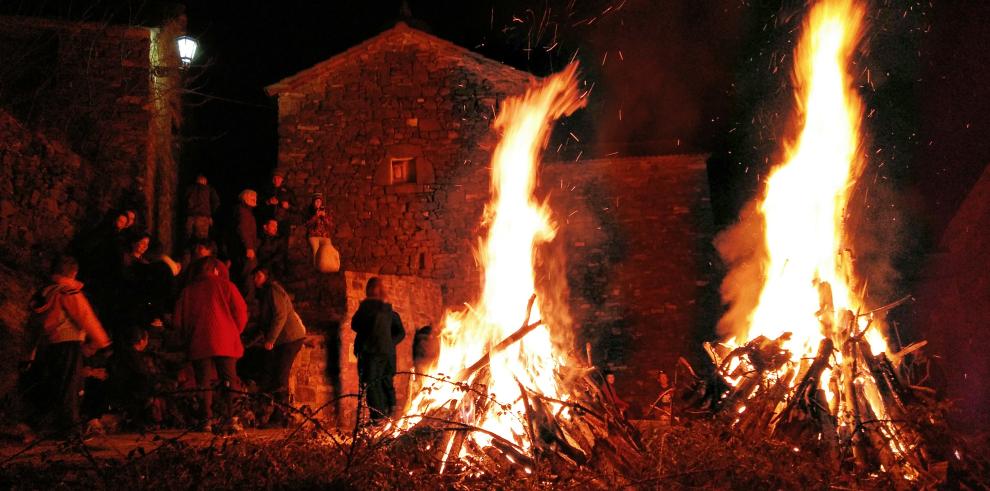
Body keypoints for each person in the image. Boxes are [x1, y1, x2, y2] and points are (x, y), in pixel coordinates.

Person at [22, 255, 112, 435]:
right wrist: (103, 342)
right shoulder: (69, 292)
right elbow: (85, 317)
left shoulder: (45, 293)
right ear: (74, 272)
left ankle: (43, 426)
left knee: (53, 385)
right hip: (69, 342)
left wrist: (28, 353)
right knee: (70, 387)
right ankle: (71, 431)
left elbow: (33, 324)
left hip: (49, 343)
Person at [173, 257, 248, 432]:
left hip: (199, 340)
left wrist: (188, 335)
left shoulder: (188, 291)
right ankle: (232, 418)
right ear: (215, 269)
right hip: (225, 341)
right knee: (229, 380)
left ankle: (206, 420)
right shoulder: (227, 286)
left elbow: (178, 320)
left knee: (203, 382)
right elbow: (241, 312)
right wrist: (233, 330)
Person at [252, 267, 307, 426]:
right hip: (283, 340)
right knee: (273, 373)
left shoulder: (273, 290)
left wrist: (271, 339)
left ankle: (280, 416)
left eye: (259, 275)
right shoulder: (265, 293)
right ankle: (273, 414)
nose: (256, 278)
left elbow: (280, 315)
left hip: (289, 338)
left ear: (266, 277)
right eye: (255, 275)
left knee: (280, 375)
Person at [351, 277, 405, 421]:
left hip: (373, 353)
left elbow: (355, 324)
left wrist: (388, 342)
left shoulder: (368, 307)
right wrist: (389, 343)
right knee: (383, 383)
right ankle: (388, 416)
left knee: (373, 384)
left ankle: (378, 418)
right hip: (385, 353)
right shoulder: (387, 309)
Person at [229, 189, 259, 292]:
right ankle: (248, 303)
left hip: (243, 249)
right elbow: (243, 229)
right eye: (251, 197)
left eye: (255, 198)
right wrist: (249, 247)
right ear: (244, 198)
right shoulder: (243, 212)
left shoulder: (245, 211)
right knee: (248, 277)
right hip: (245, 251)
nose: (255, 199)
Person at [305, 193, 339, 273]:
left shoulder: (326, 211)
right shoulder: (309, 211)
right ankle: (315, 268)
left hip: (325, 236)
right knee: (315, 251)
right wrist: (316, 216)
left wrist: (324, 217)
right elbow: (307, 224)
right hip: (313, 236)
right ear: (313, 202)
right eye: (316, 202)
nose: (318, 203)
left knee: (328, 249)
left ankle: (326, 267)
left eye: (319, 202)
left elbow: (330, 225)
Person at [183, 173, 220, 241]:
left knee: (187, 240)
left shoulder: (189, 188)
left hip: (190, 217)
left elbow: (184, 200)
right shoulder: (209, 189)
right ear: (205, 181)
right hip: (203, 218)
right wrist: (210, 214)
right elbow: (216, 202)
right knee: (201, 241)